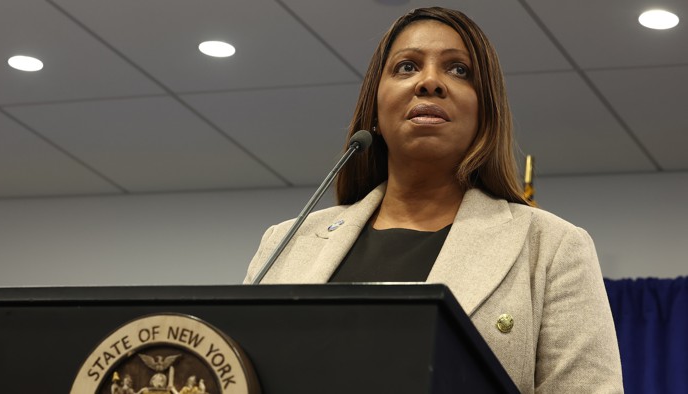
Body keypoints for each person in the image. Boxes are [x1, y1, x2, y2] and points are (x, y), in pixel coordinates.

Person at [244, 7, 622, 393]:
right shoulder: (287, 243)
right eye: (406, 67)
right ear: (375, 107)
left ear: (485, 111)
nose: (429, 82)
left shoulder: (552, 247)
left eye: (458, 70)